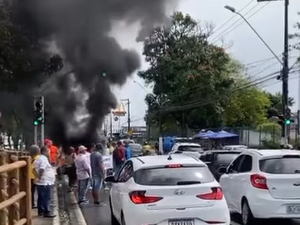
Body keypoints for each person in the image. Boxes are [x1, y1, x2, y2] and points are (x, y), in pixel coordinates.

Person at [34, 145, 55, 218]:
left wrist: (37, 177)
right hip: (45, 181)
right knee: (46, 197)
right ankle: (47, 211)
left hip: (42, 181)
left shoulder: (38, 159)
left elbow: (34, 169)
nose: (49, 152)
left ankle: (41, 211)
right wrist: (39, 177)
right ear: (44, 152)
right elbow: (42, 169)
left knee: (41, 197)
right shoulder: (44, 159)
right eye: (48, 151)